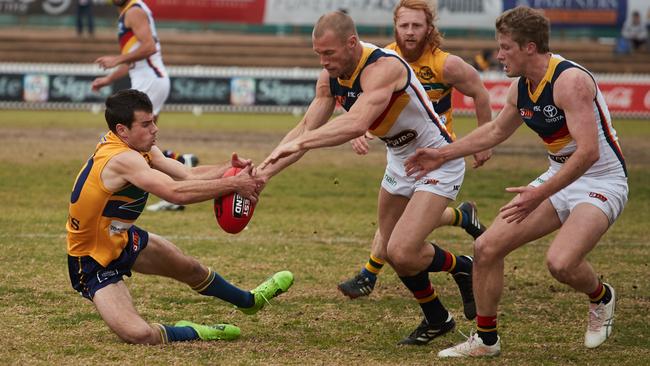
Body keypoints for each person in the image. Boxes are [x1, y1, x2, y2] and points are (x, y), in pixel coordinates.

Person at [404, 6, 627, 357]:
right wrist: (442, 153)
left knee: (561, 263)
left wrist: (538, 193)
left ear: (530, 48)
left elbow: (588, 154)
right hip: (558, 176)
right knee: (486, 248)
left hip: (601, 179)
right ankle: (486, 340)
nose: (499, 54)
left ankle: (602, 297)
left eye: (505, 47)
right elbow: (495, 130)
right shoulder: (521, 87)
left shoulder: (570, 82)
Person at [257, 11, 472, 345]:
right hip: (401, 161)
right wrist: (261, 173)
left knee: (402, 250)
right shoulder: (329, 79)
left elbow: (356, 124)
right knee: (389, 248)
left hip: (436, 160)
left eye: (328, 53)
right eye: (318, 54)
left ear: (352, 43)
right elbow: (304, 129)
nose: (323, 61)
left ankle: (463, 266)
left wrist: (302, 141)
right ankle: (437, 317)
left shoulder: (383, 67)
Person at [66, 89, 294, 345]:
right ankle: (194, 331)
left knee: (191, 269)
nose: (155, 129)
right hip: (92, 259)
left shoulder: (138, 147)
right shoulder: (120, 159)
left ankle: (249, 301)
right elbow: (175, 193)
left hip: (122, 237)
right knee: (139, 335)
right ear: (122, 130)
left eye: (153, 121)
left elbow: (188, 175)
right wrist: (233, 186)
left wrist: (230, 171)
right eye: (146, 124)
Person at [338, 0, 493, 320]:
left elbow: (480, 91)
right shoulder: (383, 61)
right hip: (401, 155)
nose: (410, 32)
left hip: (438, 156)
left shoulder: (444, 64)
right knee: (394, 226)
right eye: (404, 25)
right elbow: (362, 101)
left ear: (429, 29)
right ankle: (462, 219)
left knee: (404, 237)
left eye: (417, 26)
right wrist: (358, 128)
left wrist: (483, 140)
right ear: (395, 26)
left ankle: (369, 274)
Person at [90, 0, 178, 211]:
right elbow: (133, 62)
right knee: (143, 141)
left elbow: (149, 47)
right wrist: (109, 79)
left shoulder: (134, 11)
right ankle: (179, 169)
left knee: (130, 137)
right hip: (149, 79)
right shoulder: (128, 13)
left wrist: (117, 58)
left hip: (150, 79)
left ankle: (171, 189)